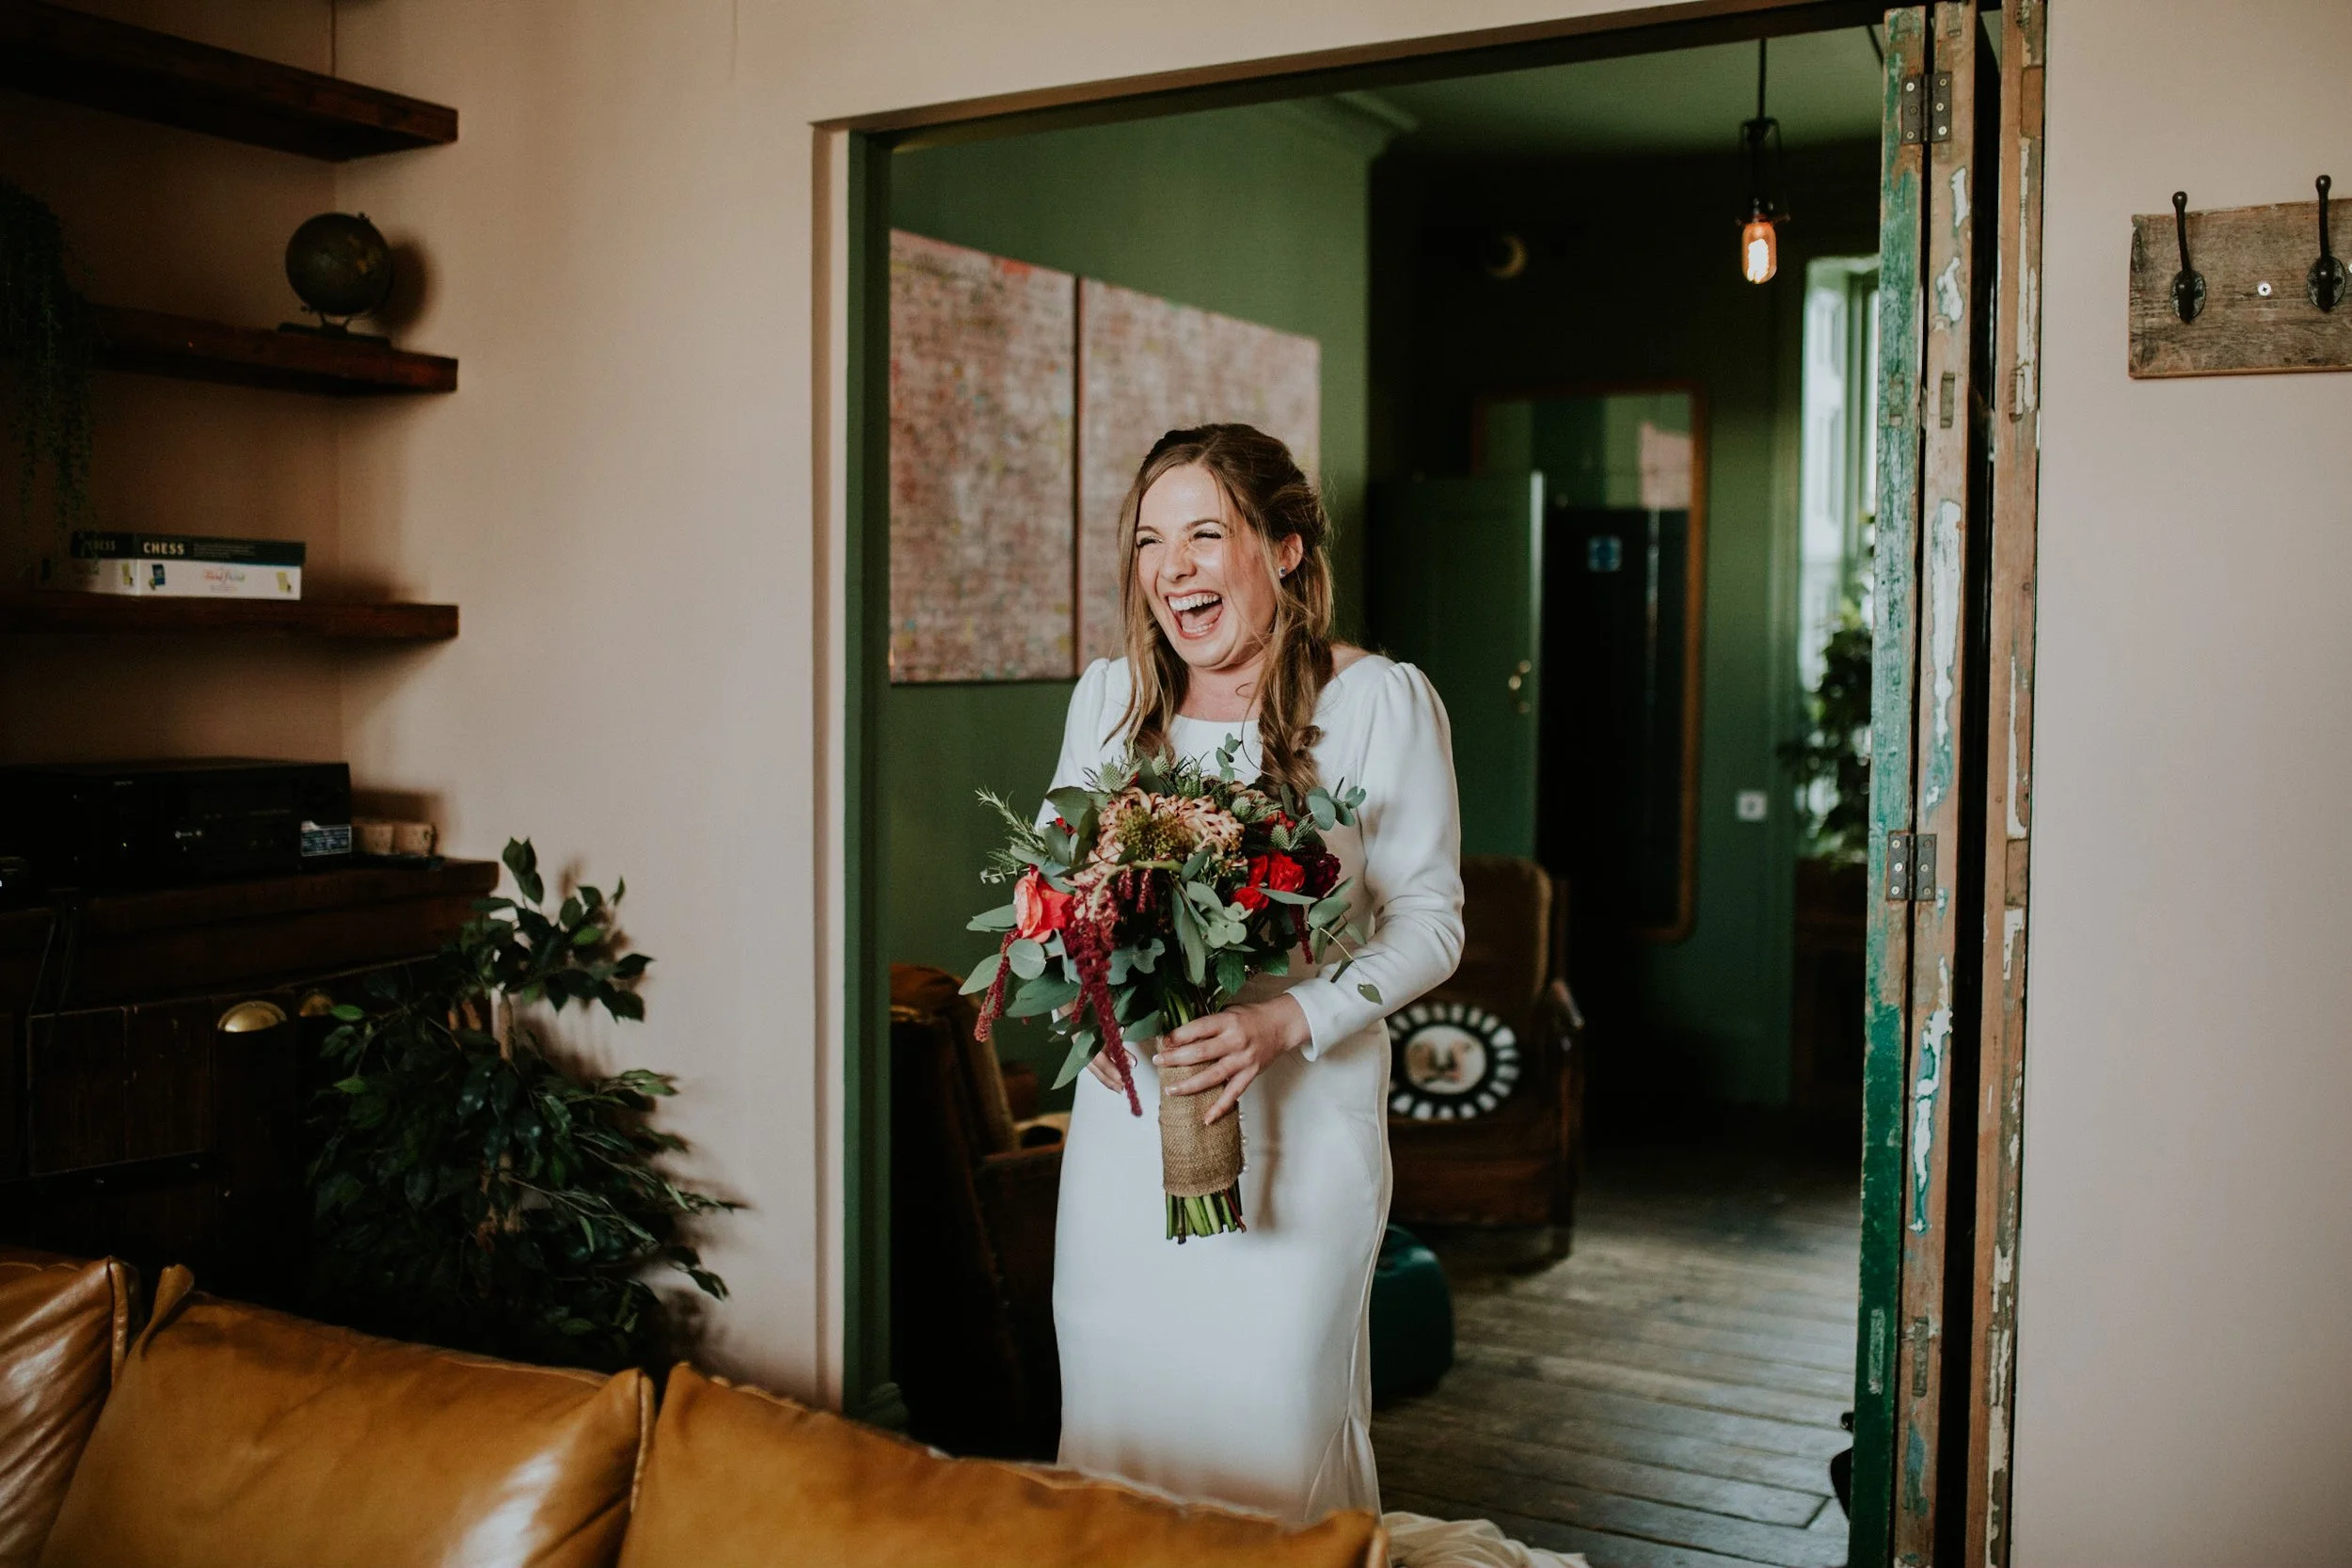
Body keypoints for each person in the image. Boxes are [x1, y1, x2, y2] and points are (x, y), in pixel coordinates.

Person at [1047, 422, 1465, 1524]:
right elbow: (1058, 892)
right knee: (1119, 1422)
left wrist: (1288, 1019)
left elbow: (1430, 924)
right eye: (1149, 540)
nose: (1170, 566)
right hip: (1128, 1132)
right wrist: (1091, 1003)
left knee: (1271, 1430)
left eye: (1203, 533)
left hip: (1305, 1128)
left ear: (1283, 548)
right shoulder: (1108, 699)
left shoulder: (1376, 701)